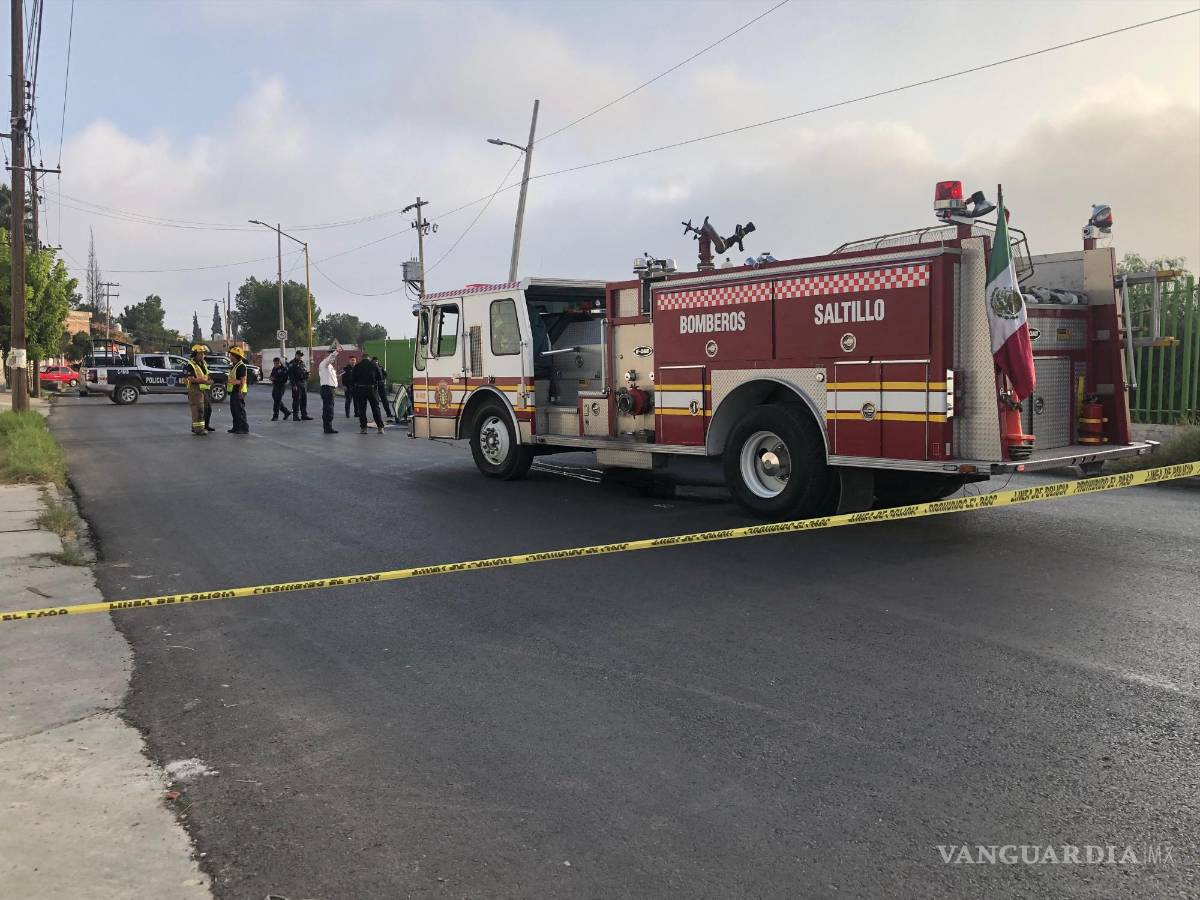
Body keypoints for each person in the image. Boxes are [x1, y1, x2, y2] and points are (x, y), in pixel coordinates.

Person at [183, 343, 213, 436]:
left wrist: (209, 380)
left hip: (204, 389)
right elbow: (189, 379)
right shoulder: (190, 365)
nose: (202, 355)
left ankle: (203, 426)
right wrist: (203, 381)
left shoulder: (203, 363)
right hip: (195, 390)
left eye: (203, 353)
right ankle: (198, 429)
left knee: (207, 409)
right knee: (198, 409)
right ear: (195, 354)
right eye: (200, 353)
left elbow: (207, 375)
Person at [351, 354, 385, 434]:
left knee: (362, 409)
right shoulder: (374, 365)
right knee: (375, 408)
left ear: (362, 358)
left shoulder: (357, 366)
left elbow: (353, 379)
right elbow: (380, 377)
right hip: (372, 389)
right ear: (369, 358)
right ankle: (380, 428)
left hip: (361, 389)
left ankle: (363, 428)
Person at [226, 346, 250, 434]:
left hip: (239, 391)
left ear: (236, 356)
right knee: (234, 410)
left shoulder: (241, 366)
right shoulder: (234, 365)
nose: (230, 357)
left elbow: (242, 380)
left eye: (231, 355)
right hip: (234, 390)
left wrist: (239, 391)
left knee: (240, 410)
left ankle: (243, 428)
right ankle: (236, 427)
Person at [318, 345, 341, 434]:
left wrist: (336, 378)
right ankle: (328, 428)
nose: (332, 357)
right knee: (328, 409)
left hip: (330, 389)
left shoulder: (330, 366)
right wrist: (336, 352)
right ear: (326, 356)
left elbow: (329, 377)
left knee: (328, 408)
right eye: (330, 355)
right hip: (327, 389)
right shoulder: (324, 363)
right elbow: (330, 358)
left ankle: (328, 427)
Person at [287, 351, 312, 420]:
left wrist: (307, 375)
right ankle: (295, 416)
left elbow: (304, 372)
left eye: (301, 355)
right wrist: (293, 385)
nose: (300, 357)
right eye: (299, 355)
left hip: (303, 383)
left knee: (304, 400)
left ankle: (304, 415)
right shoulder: (292, 363)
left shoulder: (302, 363)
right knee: (296, 400)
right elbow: (291, 375)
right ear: (296, 355)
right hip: (296, 383)